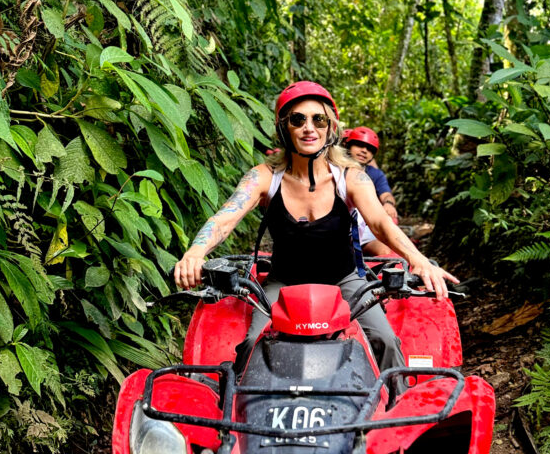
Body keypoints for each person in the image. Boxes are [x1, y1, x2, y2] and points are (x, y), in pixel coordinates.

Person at [173, 80, 457, 371]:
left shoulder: (350, 177)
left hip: (345, 281)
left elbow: (380, 222)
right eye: (298, 119)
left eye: (318, 119)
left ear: (330, 127)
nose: (309, 127)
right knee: (251, 343)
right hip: (283, 283)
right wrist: (196, 251)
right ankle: (238, 411)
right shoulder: (264, 177)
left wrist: (418, 260)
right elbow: (225, 218)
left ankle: (396, 407)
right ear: (285, 128)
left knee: (385, 339)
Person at [343, 126, 399, 224]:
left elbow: (386, 194)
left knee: (391, 221)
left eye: (370, 149)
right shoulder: (335, 168)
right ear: (349, 146)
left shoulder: (376, 174)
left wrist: (389, 204)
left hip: (363, 219)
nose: (364, 151)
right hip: (336, 218)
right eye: (360, 145)